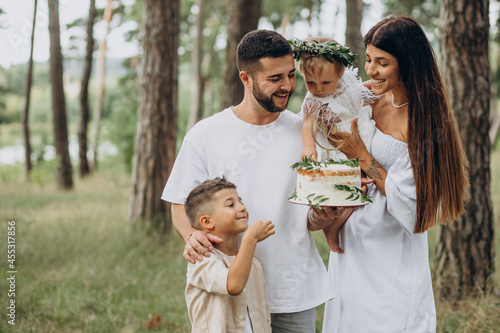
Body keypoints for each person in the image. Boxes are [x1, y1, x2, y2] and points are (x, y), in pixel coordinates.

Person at [162, 29, 342, 332]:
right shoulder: (206, 134)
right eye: (274, 79)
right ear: (246, 78)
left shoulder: (307, 132)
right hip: (230, 291)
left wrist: (323, 216)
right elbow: (179, 200)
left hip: (292, 289)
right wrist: (190, 235)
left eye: (289, 75)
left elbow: (309, 216)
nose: (287, 86)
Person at [308, 16, 469, 332]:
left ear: (407, 63)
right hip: (351, 242)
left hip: (390, 251)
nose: (371, 70)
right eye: (368, 59)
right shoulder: (366, 94)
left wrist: (362, 156)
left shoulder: (425, 121)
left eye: (382, 62)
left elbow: (411, 204)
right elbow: (321, 111)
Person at [184, 177, 275, 332]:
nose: (242, 208)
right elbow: (233, 285)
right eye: (231, 204)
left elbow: (263, 316)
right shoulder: (201, 260)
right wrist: (250, 239)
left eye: (241, 202)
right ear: (206, 222)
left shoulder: (254, 265)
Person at [290, 36, 376, 162]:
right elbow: (308, 124)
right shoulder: (314, 101)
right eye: (311, 82)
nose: (318, 88)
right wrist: (309, 147)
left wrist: (378, 84)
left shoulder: (346, 79)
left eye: (326, 82)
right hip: (339, 146)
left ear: (340, 74)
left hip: (361, 130)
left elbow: (357, 88)